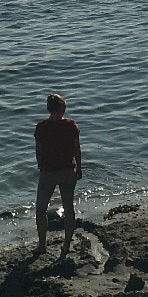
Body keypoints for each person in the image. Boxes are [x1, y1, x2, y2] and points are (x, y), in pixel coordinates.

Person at [34, 93, 82, 256]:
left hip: (48, 171)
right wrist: (79, 168)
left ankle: (42, 245)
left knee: (41, 209)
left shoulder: (41, 127)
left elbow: (38, 150)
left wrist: (40, 164)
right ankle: (66, 245)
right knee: (69, 208)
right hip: (67, 170)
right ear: (62, 109)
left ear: (49, 109)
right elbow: (77, 148)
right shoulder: (70, 125)